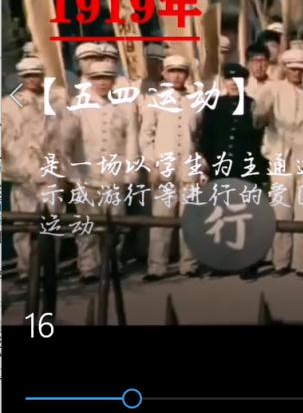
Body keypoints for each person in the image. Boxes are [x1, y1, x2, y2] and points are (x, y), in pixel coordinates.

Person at [62, 58, 140, 283]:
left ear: (114, 80)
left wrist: (131, 170)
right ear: (89, 80)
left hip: (115, 174)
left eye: (107, 77)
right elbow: (66, 140)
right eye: (97, 78)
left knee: (116, 222)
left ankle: (113, 263)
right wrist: (68, 170)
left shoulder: (124, 107)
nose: (102, 82)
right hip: (85, 174)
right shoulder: (77, 105)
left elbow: (131, 140)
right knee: (86, 224)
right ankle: (88, 267)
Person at [254, 48, 303, 279]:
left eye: (300, 69)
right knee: (281, 208)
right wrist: (262, 109)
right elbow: (258, 119)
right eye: (293, 69)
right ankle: (281, 261)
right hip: (280, 153)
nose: (297, 72)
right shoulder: (272, 89)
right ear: (285, 68)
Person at [199, 64, 269, 281]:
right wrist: (207, 164)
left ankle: (249, 263)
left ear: (245, 82)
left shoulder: (253, 105)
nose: (233, 83)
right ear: (224, 81)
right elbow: (206, 136)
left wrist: (261, 171)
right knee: (221, 215)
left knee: (247, 216)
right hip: (221, 167)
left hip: (246, 167)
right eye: (229, 79)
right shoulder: (213, 104)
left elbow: (261, 138)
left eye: (238, 80)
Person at [1, 58, 66, 283]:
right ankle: (26, 269)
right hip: (23, 172)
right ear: (21, 77)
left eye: (36, 75)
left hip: (50, 170)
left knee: (52, 219)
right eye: (27, 75)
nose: (32, 79)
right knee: (24, 224)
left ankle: (50, 268)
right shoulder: (8, 104)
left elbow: (66, 138)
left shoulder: (56, 102)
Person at [140, 54, 204, 281]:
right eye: (172, 71)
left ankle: (190, 264)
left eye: (181, 71)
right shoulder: (154, 101)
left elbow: (199, 136)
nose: (177, 76)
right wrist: (152, 165)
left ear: (187, 74)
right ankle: (156, 266)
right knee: (162, 219)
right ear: (164, 73)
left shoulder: (195, 102)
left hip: (188, 166)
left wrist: (201, 166)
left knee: (190, 217)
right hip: (163, 166)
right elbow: (146, 137)